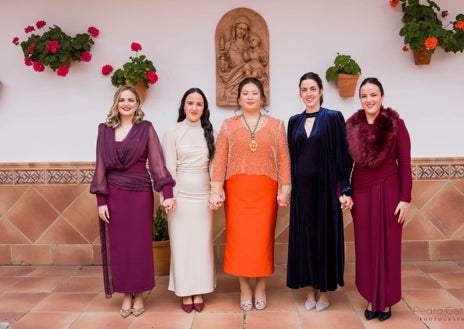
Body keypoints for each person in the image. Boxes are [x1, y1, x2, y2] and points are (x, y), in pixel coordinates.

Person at [90, 85, 176, 318]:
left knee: (138, 245)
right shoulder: (104, 130)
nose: (126, 103)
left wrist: (167, 193)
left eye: (131, 99)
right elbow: (100, 168)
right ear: (116, 104)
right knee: (119, 246)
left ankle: (139, 294)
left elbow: (158, 164)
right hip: (114, 195)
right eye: (122, 100)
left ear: (138, 104)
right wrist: (101, 200)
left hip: (140, 194)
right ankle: (126, 293)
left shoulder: (145, 128)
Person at [209, 77, 291, 311]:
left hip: (266, 191)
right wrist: (216, 189)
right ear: (239, 98)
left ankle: (261, 286)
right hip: (236, 191)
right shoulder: (228, 125)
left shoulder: (276, 125)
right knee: (239, 240)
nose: (250, 96)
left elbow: (284, 159)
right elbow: (220, 160)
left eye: (255, 93)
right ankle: (244, 286)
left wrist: (285, 189)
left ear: (262, 98)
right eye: (245, 93)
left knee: (262, 240)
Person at [346, 77, 412, 322]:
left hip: (390, 191)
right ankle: (372, 298)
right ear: (360, 99)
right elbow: (345, 165)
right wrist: (344, 191)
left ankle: (386, 300)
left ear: (381, 96)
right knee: (366, 247)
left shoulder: (396, 124)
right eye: (364, 95)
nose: (369, 99)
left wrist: (405, 198)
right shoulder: (351, 126)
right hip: (361, 192)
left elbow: (404, 163)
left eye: (373, 94)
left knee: (388, 246)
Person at [286, 72, 353, 312]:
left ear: (321, 91)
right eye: (304, 89)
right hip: (302, 192)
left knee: (324, 237)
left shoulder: (334, 118)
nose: (309, 94)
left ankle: (324, 290)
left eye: (313, 88)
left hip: (325, 190)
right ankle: (309, 289)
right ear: (300, 93)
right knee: (305, 238)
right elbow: (290, 158)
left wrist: (344, 188)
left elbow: (343, 156)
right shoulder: (293, 121)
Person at [161, 88, 216, 313]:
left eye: (199, 104)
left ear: (204, 109)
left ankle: (199, 289)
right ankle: (185, 291)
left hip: (204, 196)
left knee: (202, 245)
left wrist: (216, 193)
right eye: (190, 103)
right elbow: (167, 167)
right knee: (182, 244)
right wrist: (169, 197)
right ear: (183, 106)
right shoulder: (173, 132)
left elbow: (215, 166)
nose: (194, 108)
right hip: (180, 196)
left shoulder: (210, 132)